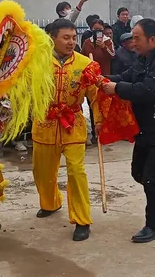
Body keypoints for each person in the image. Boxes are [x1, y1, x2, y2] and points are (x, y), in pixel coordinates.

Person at [102, 18, 155, 244]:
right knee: (138, 173)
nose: (133, 42)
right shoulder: (143, 58)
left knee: (150, 177)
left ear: (152, 39)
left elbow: (148, 90)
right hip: (146, 127)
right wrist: (100, 80)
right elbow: (126, 77)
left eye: (137, 38)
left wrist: (116, 89)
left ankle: (152, 226)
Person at [32, 19, 102, 242]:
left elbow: (95, 95)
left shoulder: (85, 64)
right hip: (44, 123)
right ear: (52, 38)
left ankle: (82, 219)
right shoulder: (37, 62)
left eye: (73, 38)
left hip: (73, 125)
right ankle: (50, 203)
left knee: (76, 171)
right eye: (66, 37)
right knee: (42, 172)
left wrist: (99, 120)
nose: (71, 42)